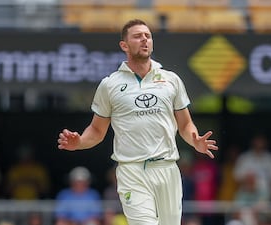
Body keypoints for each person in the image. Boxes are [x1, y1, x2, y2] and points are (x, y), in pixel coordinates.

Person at [57, 19, 218, 225]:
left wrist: (195, 140)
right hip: (131, 170)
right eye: (137, 36)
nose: (144, 39)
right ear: (124, 45)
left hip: (167, 167)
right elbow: (97, 130)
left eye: (148, 36)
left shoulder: (171, 80)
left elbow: (185, 125)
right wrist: (79, 142)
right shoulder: (110, 85)